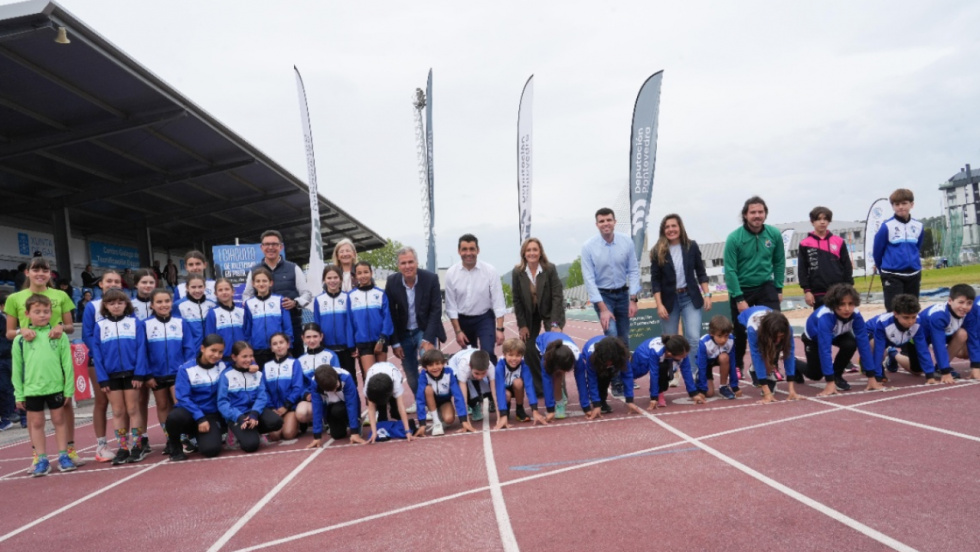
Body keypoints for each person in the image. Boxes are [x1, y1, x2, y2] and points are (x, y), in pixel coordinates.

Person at [4, 257, 80, 465]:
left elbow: (70, 326)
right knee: (34, 414)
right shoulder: (15, 298)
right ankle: (38, 456)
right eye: (35, 270)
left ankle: (69, 450)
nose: (40, 273)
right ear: (27, 272)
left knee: (65, 408)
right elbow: (10, 332)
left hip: (55, 354)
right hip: (31, 357)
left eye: (44, 270)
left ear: (50, 274)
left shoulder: (60, 295)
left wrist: (60, 328)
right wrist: (22, 330)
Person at [12, 294, 76, 476]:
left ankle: (64, 455)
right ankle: (41, 459)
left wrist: (68, 389)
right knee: (37, 423)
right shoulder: (20, 340)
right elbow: (17, 369)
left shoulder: (58, 336)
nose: (42, 315)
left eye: (46, 312)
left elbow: (67, 365)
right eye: (37, 311)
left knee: (59, 421)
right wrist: (19, 394)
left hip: (55, 387)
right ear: (27, 313)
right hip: (32, 389)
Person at [723, 196, 786, 381]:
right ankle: (738, 364)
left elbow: (779, 261)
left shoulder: (774, 234)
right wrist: (739, 297)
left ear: (765, 214)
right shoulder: (734, 238)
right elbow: (730, 270)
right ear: (745, 215)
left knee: (776, 328)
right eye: (753, 212)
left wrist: (779, 287)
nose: (757, 216)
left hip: (766, 286)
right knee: (741, 331)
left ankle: (772, 364)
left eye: (760, 212)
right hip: (742, 289)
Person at [581, 208, 640, 396]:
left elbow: (633, 270)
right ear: (596, 224)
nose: (605, 223)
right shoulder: (588, 247)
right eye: (601, 221)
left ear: (614, 222)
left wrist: (633, 299)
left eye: (608, 220)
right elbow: (589, 279)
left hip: (623, 294)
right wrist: (602, 308)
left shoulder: (626, 242)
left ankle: (626, 376)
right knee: (612, 336)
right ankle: (615, 382)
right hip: (603, 296)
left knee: (624, 338)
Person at [92, 289, 148, 465]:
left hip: (132, 374)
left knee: (133, 409)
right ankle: (123, 448)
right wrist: (102, 378)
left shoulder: (135, 323)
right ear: (106, 306)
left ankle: (138, 447)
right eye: (111, 303)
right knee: (117, 411)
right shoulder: (100, 326)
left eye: (120, 302)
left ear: (126, 304)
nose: (116, 306)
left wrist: (140, 373)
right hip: (111, 375)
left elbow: (141, 350)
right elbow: (97, 355)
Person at [649, 214, 711, 364]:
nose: (671, 229)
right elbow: (655, 281)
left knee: (693, 337)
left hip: (690, 297)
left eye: (674, 226)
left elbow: (701, 272)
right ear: (663, 230)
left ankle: (693, 376)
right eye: (667, 227)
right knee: (670, 341)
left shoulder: (692, 246)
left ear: (680, 227)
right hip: (669, 301)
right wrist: (659, 304)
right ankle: (672, 372)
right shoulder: (657, 251)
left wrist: (707, 294)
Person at [386, 246, 446, 401]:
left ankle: (436, 402)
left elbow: (436, 310)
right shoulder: (392, 282)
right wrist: (395, 342)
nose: (407, 266)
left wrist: (427, 339)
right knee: (411, 376)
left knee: (429, 363)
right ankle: (422, 402)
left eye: (410, 262)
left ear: (417, 262)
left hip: (423, 330)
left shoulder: (431, 279)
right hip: (403, 333)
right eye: (403, 263)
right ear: (398, 266)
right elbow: (390, 313)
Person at [243, 230, 313, 357]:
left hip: (291, 326)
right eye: (267, 244)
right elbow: (246, 295)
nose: (270, 247)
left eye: (274, 244)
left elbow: (307, 294)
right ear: (261, 247)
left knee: (294, 366)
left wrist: (295, 302)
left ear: (281, 247)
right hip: (262, 332)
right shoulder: (253, 270)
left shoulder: (293, 268)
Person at [143, 288, 194, 456]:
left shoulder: (180, 322)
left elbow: (189, 348)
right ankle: (170, 438)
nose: (163, 305)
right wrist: (148, 374)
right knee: (163, 405)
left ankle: (183, 437)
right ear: (152, 305)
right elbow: (143, 352)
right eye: (159, 302)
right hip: (156, 374)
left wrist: (185, 369)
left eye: (166, 301)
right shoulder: (146, 325)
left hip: (177, 373)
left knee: (179, 404)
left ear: (172, 303)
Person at [511, 238, 565, 398]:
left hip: (550, 311)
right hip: (529, 314)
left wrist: (555, 324)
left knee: (555, 347)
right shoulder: (517, 272)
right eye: (528, 250)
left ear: (540, 252)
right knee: (528, 346)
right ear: (524, 253)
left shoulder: (550, 269)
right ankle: (540, 387)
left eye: (535, 249)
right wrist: (522, 325)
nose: (532, 253)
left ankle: (559, 390)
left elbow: (557, 296)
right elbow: (517, 300)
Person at [801, 284, 874, 396]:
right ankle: (795, 365)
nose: (847, 309)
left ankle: (837, 375)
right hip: (814, 338)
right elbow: (825, 349)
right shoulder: (825, 316)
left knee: (851, 344)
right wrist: (829, 382)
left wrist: (871, 376)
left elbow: (863, 343)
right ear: (834, 304)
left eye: (850, 304)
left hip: (838, 333)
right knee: (815, 375)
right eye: (842, 304)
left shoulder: (856, 315)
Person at [445, 234, 507, 362]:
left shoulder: (490, 271)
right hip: (463, 320)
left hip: (484, 318)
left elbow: (498, 301)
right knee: (469, 357)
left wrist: (500, 329)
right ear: (459, 251)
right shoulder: (451, 273)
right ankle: (474, 382)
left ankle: (492, 381)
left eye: (472, 249)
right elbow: (451, 307)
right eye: (465, 249)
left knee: (488, 353)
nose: (468, 253)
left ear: (478, 250)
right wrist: (457, 332)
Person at [82, 269, 122, 462]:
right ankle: (101, 444)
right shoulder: (92, 306)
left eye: (117, 281)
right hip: (98, 362)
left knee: (121, 404)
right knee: (101, 401)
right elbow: (87, 335)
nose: (113, 284)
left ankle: (125, 441)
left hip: (120, 363)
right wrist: (101, 357)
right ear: (101, 284)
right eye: (109, 281)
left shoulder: (125, 305)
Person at [165, 334, 227, 461]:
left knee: (211, 450)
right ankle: (175, 446)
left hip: (211, 415)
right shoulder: (186, 369)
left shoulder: (223, 366)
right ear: (203, 348)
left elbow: (241, 361)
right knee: (174, 417)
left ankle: (196, 438)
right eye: (213, 350)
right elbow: (182, 397)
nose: (216, 355)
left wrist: (252, 364)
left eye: (220, 352)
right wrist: (199, 417)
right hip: (191, 413)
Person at [217, 341, 284, 453]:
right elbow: (222, 403)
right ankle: (233, 433)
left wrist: (254, 413)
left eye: (251, 356)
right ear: (234, 357)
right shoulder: (226, 375)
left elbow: (262, 396)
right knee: (251, 446)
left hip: (253, 411)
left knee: (277, 422)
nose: (248, 360)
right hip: (238, 415)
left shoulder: (257, 374)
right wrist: (239, 417)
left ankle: (254, 430)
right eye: (244, 356)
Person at [865, 294, 934, 390]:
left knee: (917, 371)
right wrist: (877, 377)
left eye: (913, 317)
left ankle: (893, 353)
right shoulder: (883, 324)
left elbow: (923, 349)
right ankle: (870, 365)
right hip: (872, 333)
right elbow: (878, 351)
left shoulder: (917, 323)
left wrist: (930, 375)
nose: (910, 321)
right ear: (896, 314)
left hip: (896, 339)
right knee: (878, 349)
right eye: (906, 317)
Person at [872, 189, 924, 311]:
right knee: (894, 311)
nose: (900, 207)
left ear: (912, 204)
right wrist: (884, 270)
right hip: (892, 275)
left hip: (913, 274)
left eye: (904, 203)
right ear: (893, 206)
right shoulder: (887, 227)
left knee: (912, 310)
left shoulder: (918, 226)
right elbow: (877, 251)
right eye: (897, 204)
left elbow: (917, 247)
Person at [738, 306, 800, 404]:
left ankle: (766, 371)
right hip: (744, 319)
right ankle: (754, 369)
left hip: (767, 324)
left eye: (781, 337)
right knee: (763, 353)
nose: (779, 340)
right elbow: (756, 355)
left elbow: (789, 354)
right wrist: (767, 393)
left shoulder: (788, 329)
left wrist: (791, 390)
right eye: (777, 337)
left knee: (774, 349)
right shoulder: (752, 329)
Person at [798, 206, 853, 309]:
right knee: (822, 322)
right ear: (812, 222)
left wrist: (848, 288)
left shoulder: (839, 241)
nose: (822, 222)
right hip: (818, 293)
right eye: (819, 219)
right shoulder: (805, 244)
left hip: (839, 291)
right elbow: (802, 270)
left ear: (829, 221)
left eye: (825, 219)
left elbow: (847, 266)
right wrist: (807, 291)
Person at [629, 335, 703, 411]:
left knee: (664, 371)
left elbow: (686, 371)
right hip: (644, 355)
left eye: (686, 355)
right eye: (682, 356)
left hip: (665, 359)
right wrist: (654, 397)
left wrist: (693, 393)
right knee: (635, 374)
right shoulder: (656, 351)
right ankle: (622, 373)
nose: (685, 357)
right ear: (670, 354)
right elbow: (654, 374)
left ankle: (660, 392)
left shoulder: (682, 352)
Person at [920, 283, 975, 383]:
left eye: (969, 303)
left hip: (945, 333)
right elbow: (938, 344)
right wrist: (945, 371)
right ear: (950, 301)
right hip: (919, 339)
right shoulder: (939, 316)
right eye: (961, 302)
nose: (964, 307)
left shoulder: (969, 313)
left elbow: (973, 336)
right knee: (917, 370)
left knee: (963, 334)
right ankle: (893, 354)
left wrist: (976, 365)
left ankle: (938, 368)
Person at [413, 349, 474, 437]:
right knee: (427, 389)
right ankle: (436, 421)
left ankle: (439, 414)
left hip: (444, 401)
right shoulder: (423, 376)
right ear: (425, 367)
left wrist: (463, 420)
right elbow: (420, 398)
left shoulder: (449, 374)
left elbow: (458, 396)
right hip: (430, 400)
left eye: (437, 364)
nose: (435, 367)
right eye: (430, 365)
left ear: (443, 364)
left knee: (449, 419)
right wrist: (422, 424)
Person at [348, 261, 393, 377]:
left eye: (366, 272)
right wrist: (352, 344)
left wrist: (382, 339)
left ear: (371, 273)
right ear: (355, 276)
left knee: (383, 377)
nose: (363, 276)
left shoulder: (381, 293)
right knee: (370, 377)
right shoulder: (351, 296)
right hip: (363, 342)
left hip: (380, 340)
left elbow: (387, 318)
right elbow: (349, 322)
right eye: (359, 273)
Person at [313, 265, 356, 383]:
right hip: (327, 348)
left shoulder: (347, 298)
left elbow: (350, 323)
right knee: (330, 381)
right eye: (329, 278)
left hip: (345, 348)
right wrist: (320, 344)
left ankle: (353, 402)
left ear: (341, 279)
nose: (332, 281)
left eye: (335, 277)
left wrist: (351, 345)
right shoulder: (319, 300)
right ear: (324, 280)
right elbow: (317, 324)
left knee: (349, 380)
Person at [243, 267, 293, 368]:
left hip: (277, 349)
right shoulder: (249, 304)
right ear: (253, 284)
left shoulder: (279, 301)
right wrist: (249, 349)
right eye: (258, 281)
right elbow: (247, 330)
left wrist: (289, 346)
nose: (261, 284)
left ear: (271, 283)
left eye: (264, 281)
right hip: (258, 350)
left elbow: (287, 327)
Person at [492, 341, 545, 429]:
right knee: (506, 395)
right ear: (504, 355)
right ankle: (506, 411)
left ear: (522, 356)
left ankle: (519, 410)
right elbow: (500, 389)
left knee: (518, 382)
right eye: (511, 355)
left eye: (518, 356)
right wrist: (503, 414)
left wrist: (535, 410)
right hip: (503, 391)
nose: (514, 359)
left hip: (515, 388)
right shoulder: (500, 367)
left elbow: (529, 387)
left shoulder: (524, 366)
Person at [261, 332, 304, 442]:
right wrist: (271, 408)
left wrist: (287, 406)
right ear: (271, 348)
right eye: (275, 344)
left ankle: (297, 424)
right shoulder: (267, 366)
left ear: (288, 345)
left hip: (289, 407)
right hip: (274, 409)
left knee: (288, 434)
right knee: (275, 436)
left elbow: (298, 387)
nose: (279, 346)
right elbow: (264, 389)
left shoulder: (295, 363)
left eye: (281, 342)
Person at [306, 364, 360, 446]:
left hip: (345, 405)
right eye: (332, 389)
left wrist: (354, 431)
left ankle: (355, 422)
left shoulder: (346, 377)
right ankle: (339, 424)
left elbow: (352, 404)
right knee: (337, 435)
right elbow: (317, 408)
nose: (336, 389)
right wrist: (317, 436)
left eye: (337, 386)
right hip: (331, 407)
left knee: (339, 410)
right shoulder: (315, 384)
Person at [362, 362, 415, 444]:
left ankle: (395, 414)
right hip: (377, 379)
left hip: (391, 377)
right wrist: (374, 432)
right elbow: (371, 409)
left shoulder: (396, 381)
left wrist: (407, 431)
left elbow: (401, 406)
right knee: (381, 416)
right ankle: (383, 415)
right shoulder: (369, 386)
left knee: (396, 412)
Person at [534, 331, 581, 419]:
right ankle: (559, 404)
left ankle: (560, 392)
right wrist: (550, 409)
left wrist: (586, 407)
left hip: (563, 345)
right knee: (555, 377)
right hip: (541, 342)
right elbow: (546, 383)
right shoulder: (546, 359)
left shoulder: (578, 357)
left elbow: (581, 380)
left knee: (559, 376)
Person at [696, 316, 739, 400]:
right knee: (709, 393)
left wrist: (734, 386)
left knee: (725, 357)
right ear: (712, 333)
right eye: (719, 336)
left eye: (726, 336)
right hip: (706, 363)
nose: (723, 340)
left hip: (720, 358)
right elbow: (702, 366)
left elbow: (733, 363)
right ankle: (698, 381)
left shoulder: (731, 340)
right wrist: (702, 389)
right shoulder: (704, 342)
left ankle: (723, 387)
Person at [449, 347, 496, 422]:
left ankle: (490, 400)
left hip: (473, 361)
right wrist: (465, 420)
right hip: (456, 365)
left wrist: (501, 416)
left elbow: (494, 389)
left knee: (489, 384)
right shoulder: (463, 366)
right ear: (470, 366)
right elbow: (462, 395)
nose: (480, 377)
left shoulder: (490, 366)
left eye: (483, 373)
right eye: (477, 373)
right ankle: (474, 405)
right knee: (464, 386)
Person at [205, 278, 247, 363]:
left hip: (241, 358)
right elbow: (209, 338)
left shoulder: (242, 311)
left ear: (233, 291)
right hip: (222, 359)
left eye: (227, 289)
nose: (224, 292)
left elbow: (247, 334)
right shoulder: (213, 313)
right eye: (220, 290)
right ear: (215, 294)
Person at [175, 273, 217, 354]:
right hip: (189, 352)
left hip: (209, 351)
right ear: (187, 288)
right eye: (193, 287)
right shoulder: (179, 306)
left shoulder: (212, 305)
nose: (197, 290)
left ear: (205, 287)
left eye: (200, 287)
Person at [0, 291, 17, 431]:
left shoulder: (7, 319)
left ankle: (12, 415)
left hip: (7, 357)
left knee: (8, 387)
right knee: (5, 388)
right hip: (4, 357)